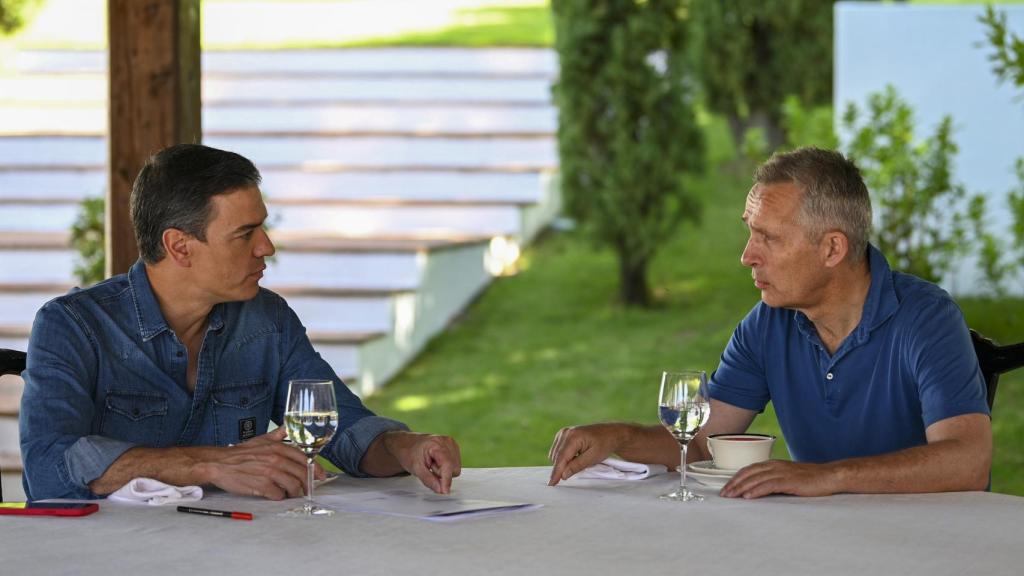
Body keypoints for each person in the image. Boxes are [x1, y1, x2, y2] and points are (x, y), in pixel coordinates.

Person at [20, 144, 461, 501]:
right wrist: (211, 463)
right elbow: (47, 470)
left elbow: (340, 430)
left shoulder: (267, 321)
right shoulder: (73, 327)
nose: (266, 247)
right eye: (244, 233)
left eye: (262, 229)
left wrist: (408, 448)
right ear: (179, 247)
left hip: (241, 551)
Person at [548, 147, 991, 498]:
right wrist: (618, 437)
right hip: (821, 539)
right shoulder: (767, 324)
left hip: (929, 540)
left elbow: (968, 461)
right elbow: (702, 445)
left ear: (832, 250)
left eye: (769, 238)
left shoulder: (927, 318)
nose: (746, 255)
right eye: (750, 231)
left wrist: (825, 477)